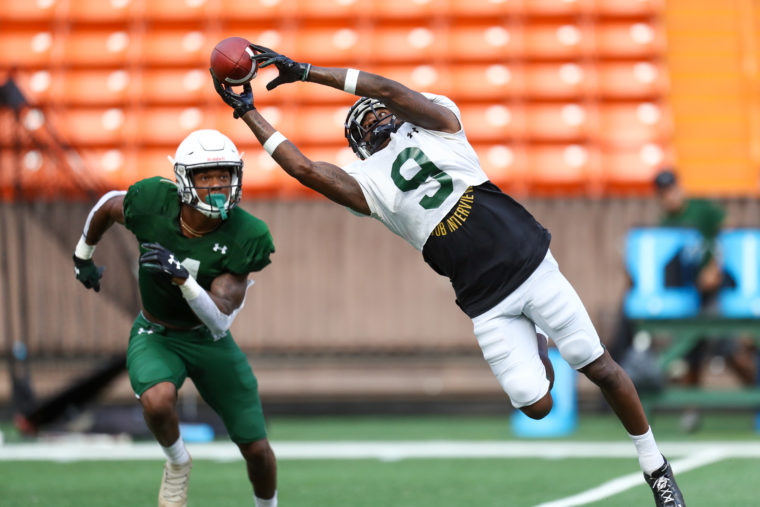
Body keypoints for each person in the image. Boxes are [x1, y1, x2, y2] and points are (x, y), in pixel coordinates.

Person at [210, 45, 685, 506]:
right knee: (535, 403)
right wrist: (247, 111)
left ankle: (655, 468)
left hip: (529, 263)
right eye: (366, 123)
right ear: (358, 147)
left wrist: (307, 71)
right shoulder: (372, 184)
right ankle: (537, 337)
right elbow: (306, 170)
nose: (376, 121)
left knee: (595, 362)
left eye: (378, 113)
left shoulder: (439, 125)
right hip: (485, 300)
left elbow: (386, 89)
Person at [72, 129, 278, 507]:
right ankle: (178, 462)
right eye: (206, 176)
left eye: (224, 175)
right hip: (157, 332)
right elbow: (106, 205)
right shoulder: (152, 202)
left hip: (209, 339)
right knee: (157, 399)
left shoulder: (248, 234)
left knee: (257, 449)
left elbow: (219, 321)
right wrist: (83, 256)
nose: (217, 184)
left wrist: (183, 279)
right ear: (185, 179)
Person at [653, 168, 756, 432]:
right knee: (689, 354)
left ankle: (756, 398)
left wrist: (716, 265)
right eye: (663, 192)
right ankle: (691, 410)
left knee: (731, 348)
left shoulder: (701, 210)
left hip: (716, 293)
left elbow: (728, 229)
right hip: (689, 298)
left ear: (679, 187)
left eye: (671, 189)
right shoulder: (666, 224)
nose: (669, 196)